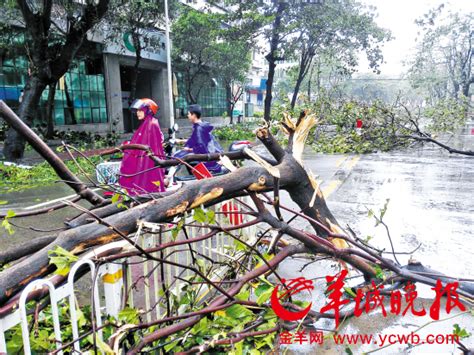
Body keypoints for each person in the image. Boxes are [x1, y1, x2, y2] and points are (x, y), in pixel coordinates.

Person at [119, 98, 166, 195]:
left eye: (140, 110)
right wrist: (128, 145)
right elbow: (139, 141)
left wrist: (129, 147)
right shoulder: (146, 123)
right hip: (146, 157)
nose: (138, 113)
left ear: (148, 110)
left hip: (149, 160)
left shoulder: (151, 124)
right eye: (137, 111)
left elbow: (148, 145)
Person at [175, 104, 223, 173]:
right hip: (214, 154)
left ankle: (169, 178)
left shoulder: (198, 128)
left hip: (208, 158)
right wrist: (181, 141)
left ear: (194, 115)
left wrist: (189, 149)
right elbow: (194, 139)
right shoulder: (202, 126)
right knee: (182, 154)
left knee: (179, 156)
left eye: (189, 114)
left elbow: (201, 147)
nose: (187, 116)